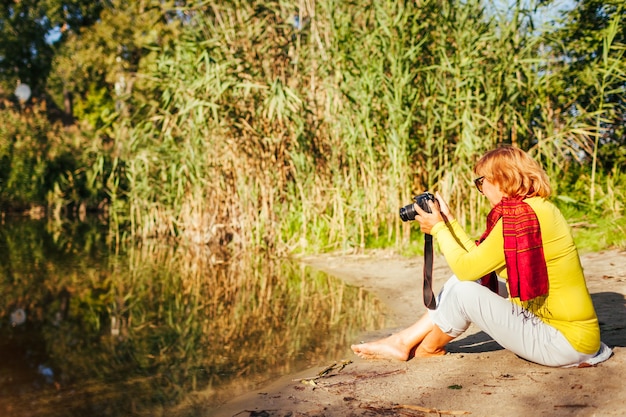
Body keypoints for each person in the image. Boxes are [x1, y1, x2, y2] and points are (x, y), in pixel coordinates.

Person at [352, 145, 612, 367]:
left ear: (500, 179)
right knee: (468, 283)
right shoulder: (535, 210)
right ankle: (403, 341)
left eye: (481, 182)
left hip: (563, 344)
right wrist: (449, 222)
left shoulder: (522, 217)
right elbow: (478, 264)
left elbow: (467, 269)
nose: (481, 189)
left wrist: (439, 229)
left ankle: (428, 348)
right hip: (561, 333)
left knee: (464, 290)